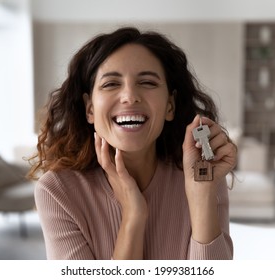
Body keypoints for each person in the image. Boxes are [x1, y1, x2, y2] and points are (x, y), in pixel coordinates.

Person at [28, 26, 237, 260]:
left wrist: (201, 195)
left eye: (147, 82)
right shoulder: (58, 191)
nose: (129, 96)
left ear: (170, 106)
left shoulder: (202, 174)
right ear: (90, 109)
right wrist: (132, 215)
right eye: (111, 84)